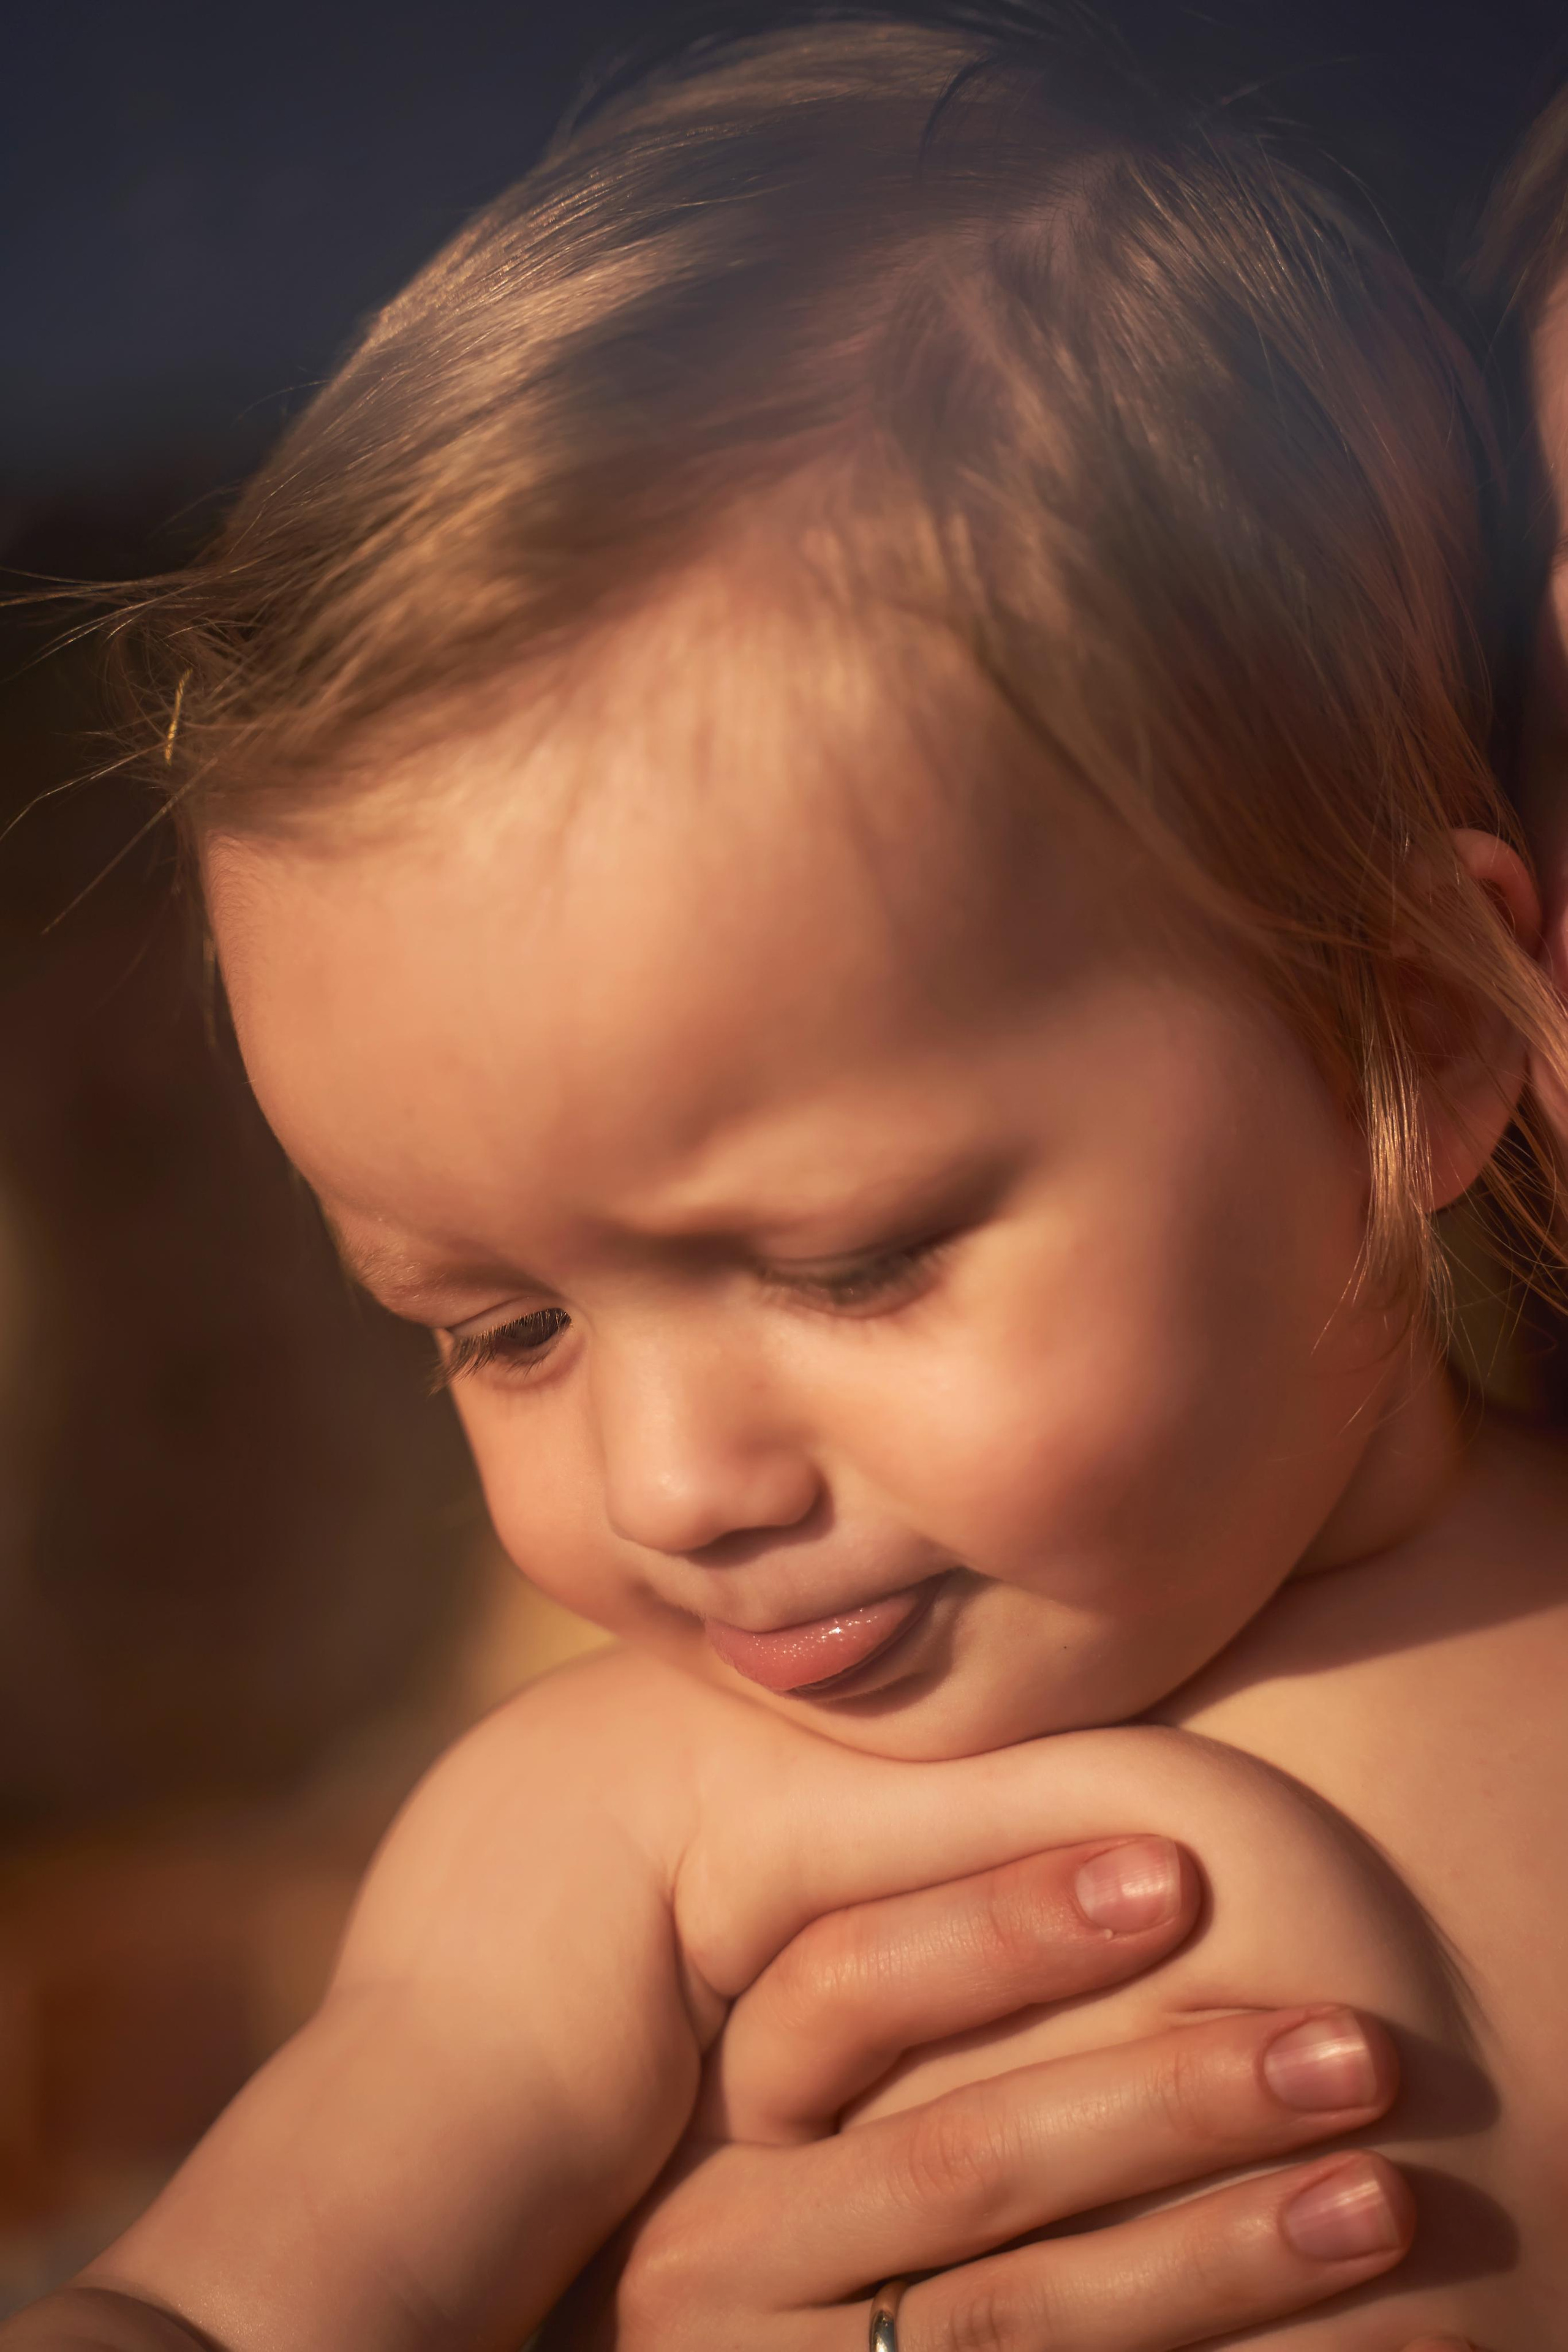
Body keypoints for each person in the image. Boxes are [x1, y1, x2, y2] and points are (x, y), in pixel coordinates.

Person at [7, 11, 1564, 2348]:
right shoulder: (622, 1835)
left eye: (848, 1266)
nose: (671, 1486)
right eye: (502, 1328)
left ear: (1411, 1041)